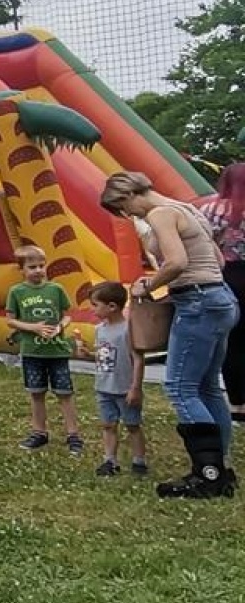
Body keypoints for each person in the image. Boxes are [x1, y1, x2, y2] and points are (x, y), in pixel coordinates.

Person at [102, 170, 239, 498]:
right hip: (220, 297)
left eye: (122, 208)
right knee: (207, 387)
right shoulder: (188, 210)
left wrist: (148, 284)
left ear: (128, 196)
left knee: (180, 388)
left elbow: (177, 262)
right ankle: (221, 466)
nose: (127, 215)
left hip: (197, 302)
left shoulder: (160, 214)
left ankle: (208, 475)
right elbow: (218, 261)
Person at [5, 245, 86, 456]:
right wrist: (34, 328)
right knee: (36, 393)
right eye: (32, 267)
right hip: (33, 352)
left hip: (56, 352)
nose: (38, 270)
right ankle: (39, 432)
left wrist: (60, 327)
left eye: (42, 265)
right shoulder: (17, 292)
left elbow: (68, 314)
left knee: (64, 393)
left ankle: (73, 434)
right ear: (21, 269)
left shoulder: (56, 289)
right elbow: (11, 321)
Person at [72, 281, 148, 478]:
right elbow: (103, 355)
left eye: (95, 304)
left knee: (132, 425)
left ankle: (139, 461)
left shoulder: (127, 330)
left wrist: (135, 387)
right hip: (104, 387)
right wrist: (87, 354)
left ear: (112, 306)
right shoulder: (100, 330)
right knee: (108, 425)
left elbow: (138, 360)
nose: (92, 308)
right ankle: (110, 461)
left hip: (124, 389)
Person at [198, 162, 245, 422]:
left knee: (232, 342)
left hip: (227, 275)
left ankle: (237, 402)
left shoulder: (212, 208)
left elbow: (205, 242)